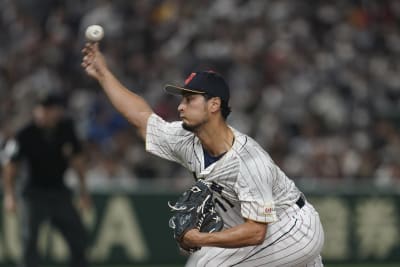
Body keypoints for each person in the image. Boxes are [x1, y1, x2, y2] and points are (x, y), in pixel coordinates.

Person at [81, 43, 325, 266]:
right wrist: (103, 74)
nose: (180, 106)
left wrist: (201, 237)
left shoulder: (249, 160)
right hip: (267, 228)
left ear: (214, 105)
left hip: (293, 228)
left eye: (189, 99)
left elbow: (256, 232)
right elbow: (142, 119)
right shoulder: (187, 139)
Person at [2, 94, 90, 267]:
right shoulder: (24, 133)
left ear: (57, 111)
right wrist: (9, 195)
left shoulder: (66, 129)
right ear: (36, 111)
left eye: (50, 110)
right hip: (32, 192)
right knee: (29, 238)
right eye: (42, 109)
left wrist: (83, 191)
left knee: (77, 234)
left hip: (59, 190)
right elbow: (11, 167)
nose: (46, 114)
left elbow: (78, 162)